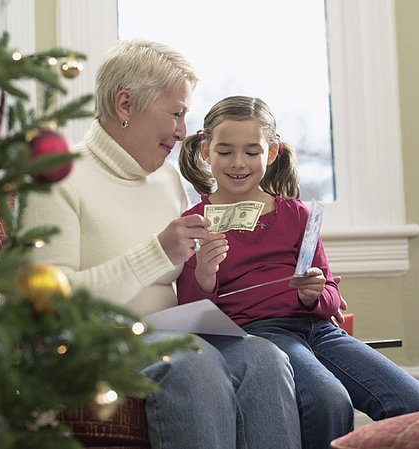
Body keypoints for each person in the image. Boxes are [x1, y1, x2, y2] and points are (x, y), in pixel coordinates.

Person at [23, 40, 301, 448]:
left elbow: (184, 280)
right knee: (194, 363)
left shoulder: (166, 179)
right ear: (125, 105)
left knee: (265, 357)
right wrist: (156, 254)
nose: (183, 131)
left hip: (174, 330)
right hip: (97, 337)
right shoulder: (58, 179)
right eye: (176, 113)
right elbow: (51, 301)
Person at [176, 95, 419, 449]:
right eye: (225, 151)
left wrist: (314, 294)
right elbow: (192, 310)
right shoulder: (194, 223)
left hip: (319, 330)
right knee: (327, 399)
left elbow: (331, 293)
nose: (238, 163)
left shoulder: (296, 215)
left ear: (271, 153)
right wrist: (205, 273)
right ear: (205, 150)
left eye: (252, 151)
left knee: (410, 400)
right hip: (261, 336)